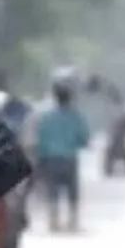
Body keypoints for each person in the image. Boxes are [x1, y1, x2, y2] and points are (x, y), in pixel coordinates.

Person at [31, 82, 91, 231]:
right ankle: (73, 221)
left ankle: (54, 221)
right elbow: (84, 138)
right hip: (69, 158)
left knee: (53, 190)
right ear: (69, 98)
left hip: (50, 158)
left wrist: (40, 159)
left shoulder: (47, 117)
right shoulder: (76, 116)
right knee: (72, 191)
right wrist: (76, 144)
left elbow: (41, 138)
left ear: (56, 97)